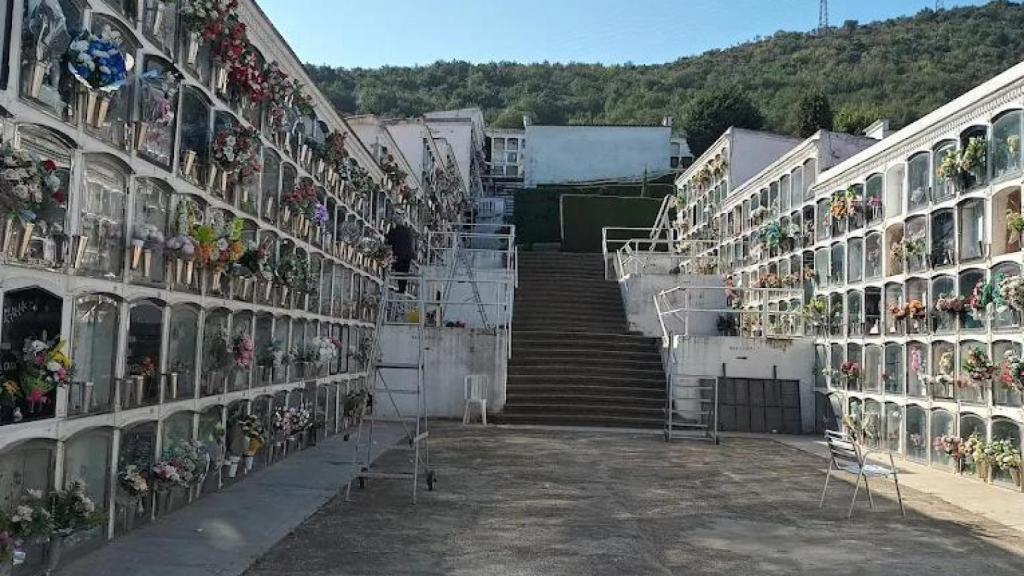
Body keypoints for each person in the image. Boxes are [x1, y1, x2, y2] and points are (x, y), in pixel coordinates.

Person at [385, 221, 415, 292]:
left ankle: (401, 289)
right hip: (408, 256)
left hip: (399, 255)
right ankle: (402, 289)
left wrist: (386, 235)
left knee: (399, 271)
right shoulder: (408, 231)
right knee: (404, 273)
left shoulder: (395, 231)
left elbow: (390, 240)